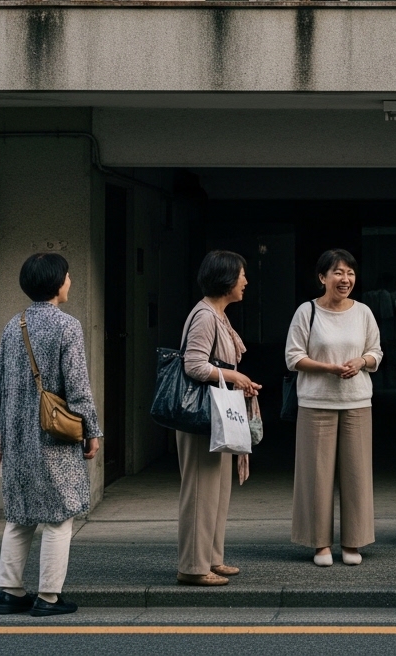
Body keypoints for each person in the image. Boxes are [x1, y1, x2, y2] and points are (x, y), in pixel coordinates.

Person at [0, 252, 102, 618]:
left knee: (19, 514)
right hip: (53, 435)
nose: (70, 281)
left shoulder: (13, 324)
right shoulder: (67, 326)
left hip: (16, 434)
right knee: (58, 516)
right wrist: (91, 431)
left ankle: (9, 591)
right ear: (57, 283)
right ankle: (48, 597)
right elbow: (78, 387)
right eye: (68, 276)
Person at [285, 248, 383, 566]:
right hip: (316, 402)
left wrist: (361, 361)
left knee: (356, 475)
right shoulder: (306, 312)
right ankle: (320, 544)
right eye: (338, 273)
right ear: (322, 278)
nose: (345, 279)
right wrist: (328, 368)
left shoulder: (364, 312)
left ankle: (353, 543)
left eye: (350, 272)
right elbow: (293, 356)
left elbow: (376, 353)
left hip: (357, 401)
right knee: (316, 475)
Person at [175, 250, 262, 587]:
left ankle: (211, 558)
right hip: (201, 416)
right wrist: (235, 377)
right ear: (226, 280)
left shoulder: (216, 314)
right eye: (241, 275)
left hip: (216, 415)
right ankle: (193, 567)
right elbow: (193, 364)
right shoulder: (205, 316)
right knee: (200, 491)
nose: (246, 281)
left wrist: (237, 379)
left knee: (216, 490)